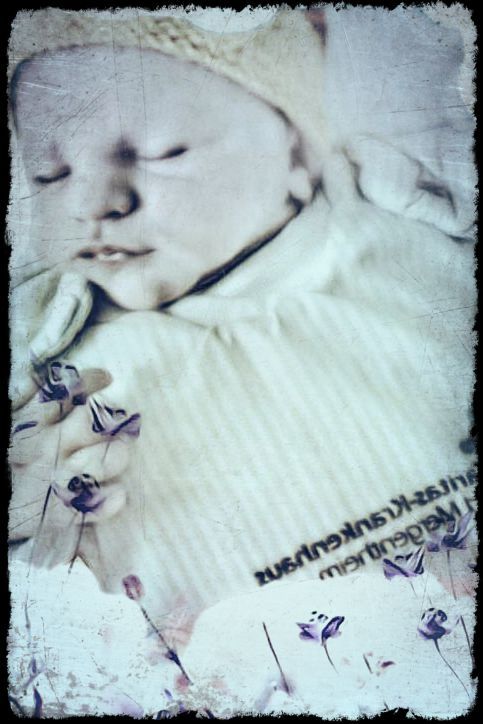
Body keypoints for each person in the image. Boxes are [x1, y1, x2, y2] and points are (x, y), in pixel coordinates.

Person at [9, 6, 475, 646]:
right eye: (49, 173)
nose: (93, 203)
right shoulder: (50, 361)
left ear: (298, 153)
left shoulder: (409, 250)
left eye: (161, 152)